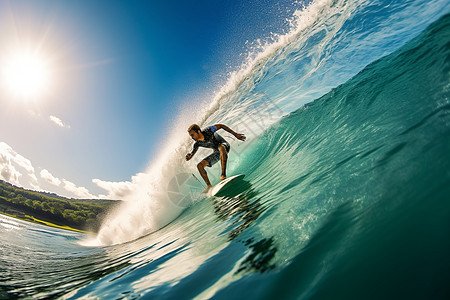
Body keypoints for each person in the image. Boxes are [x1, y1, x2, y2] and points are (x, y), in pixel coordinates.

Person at [186, 124, 246, 192]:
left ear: (198, 131)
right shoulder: (197, 144)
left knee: (221, 147)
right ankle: (209, 186)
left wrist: (236, 134)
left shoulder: (209, 130)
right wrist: (189, 156)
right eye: (191, 136)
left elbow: (221, 126)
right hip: (217, 153)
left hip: (224, 146)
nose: (192, 137)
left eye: (192, 135)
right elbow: (192, 154)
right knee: (200, 166)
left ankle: (223, 175)